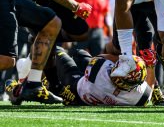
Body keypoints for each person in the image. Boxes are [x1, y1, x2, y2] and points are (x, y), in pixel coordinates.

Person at [7, 46, 151, 107]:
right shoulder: (141, 97)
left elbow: (100, 57)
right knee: (80, 54)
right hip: (90, 92)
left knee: (50, 48)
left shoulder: (99, 69)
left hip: (74, 89)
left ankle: (22, 83)